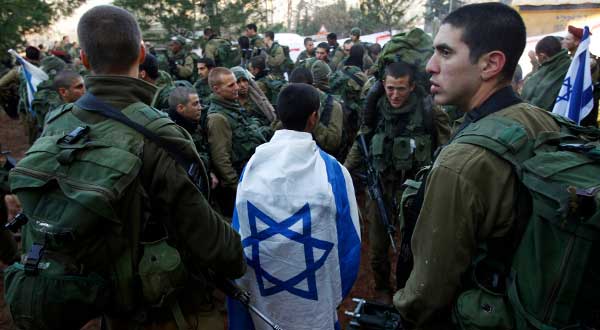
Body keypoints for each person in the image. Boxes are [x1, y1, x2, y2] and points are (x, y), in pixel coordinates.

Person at [8, 5, 246, 330]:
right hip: (163, 307)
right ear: (142, 52)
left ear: (85, 60)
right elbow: (205, 235)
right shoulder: (160, 135)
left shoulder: (59, 120)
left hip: (98, 294)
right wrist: (238, 254)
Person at [392, 3, 561, 328]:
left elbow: (426, 296)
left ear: (491, 64)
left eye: (445, 52)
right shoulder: (543, 122)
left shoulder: (461, 164)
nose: (430, 66)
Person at [228, 83, 360, 330]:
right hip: (315, 306)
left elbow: (240, 233)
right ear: (314, 118)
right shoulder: (334, 172)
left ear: (278, 113)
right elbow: (349, 245)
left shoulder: (253, 166)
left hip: (261, 301)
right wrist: (333, 296)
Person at [344, 61, 450, 304]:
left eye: (401, 89)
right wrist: (343, 172)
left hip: (414, 192)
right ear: (383, 85)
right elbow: (361, 143)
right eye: (390, 88)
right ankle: (382, 289)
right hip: (381, 187)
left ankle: (410, 289)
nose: (394, 94)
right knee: (378, 246)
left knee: (415, 244)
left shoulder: (429, 112)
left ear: (412, 87)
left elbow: (447, 148)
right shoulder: (375, 110)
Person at [207, 67, 268, 217]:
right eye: (231, 85)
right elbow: (221, 160)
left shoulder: (232, 107)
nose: (237, 88)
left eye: (236, 83)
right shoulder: (218, 118)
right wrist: (238, 187)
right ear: (217, 89)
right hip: (238, 189)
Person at [289, 67, 343, 157]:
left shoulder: (333, 106)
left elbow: (333, 143)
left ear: (312, 87)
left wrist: (313, 119)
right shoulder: (289, 100)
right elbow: (277, 130)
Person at [167, 86, 214, 187]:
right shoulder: (173, 133)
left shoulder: (192, 123)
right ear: (180, 108)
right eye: (195, 104)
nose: (200, 107)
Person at [521, 36, 570, 111]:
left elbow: (539, 102)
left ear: (543, 56)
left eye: (538, 57)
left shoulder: (558, 70)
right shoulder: (563, 62)